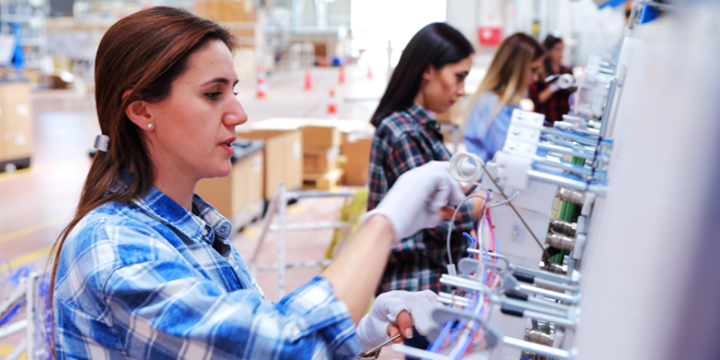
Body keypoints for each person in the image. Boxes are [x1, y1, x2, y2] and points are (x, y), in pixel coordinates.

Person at [50, 8, 467, 360]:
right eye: (213, 95)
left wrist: (365, 332)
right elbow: (280, 350)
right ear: (142, 111)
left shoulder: (196, 229)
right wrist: (385, 223)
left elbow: (248, 335)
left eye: (234, 91)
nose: (239, 114)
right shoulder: (117, 247)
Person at [367, 23, 485, 354]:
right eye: (459, 76)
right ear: (429, 70)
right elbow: (441, 219)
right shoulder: (403, 131)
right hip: (419, 285)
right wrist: (483, 200)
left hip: (430, 279)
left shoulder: (419, 128)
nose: (461, 89)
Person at [463, 33, 545, 163]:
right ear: (517, 68)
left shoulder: (507, 102)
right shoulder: (493, 104)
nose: (535, 78)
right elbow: (512, 157)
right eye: (533, 70)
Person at [529, 34, 574, 123]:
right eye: (557, 49)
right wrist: (554, 87)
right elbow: (535, 100)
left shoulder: (566, 71)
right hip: (544, 121)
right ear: (548, 51)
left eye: (562, 49)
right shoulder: (539, 72)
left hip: (562, 122)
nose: (561, 53)